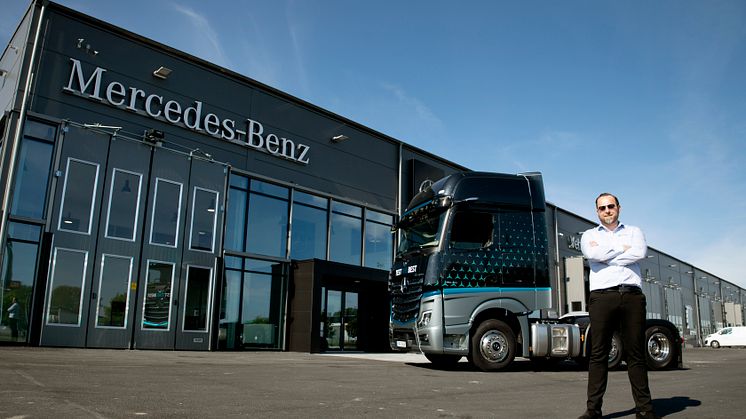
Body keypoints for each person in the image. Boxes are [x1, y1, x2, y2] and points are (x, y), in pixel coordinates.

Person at [578, 193, 660, 419]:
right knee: (598, 354)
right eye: (602, 208)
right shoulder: (589, 235)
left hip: (632, 296)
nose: (607, 210)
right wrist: (623, 250)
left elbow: (640, 252)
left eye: (610, 206)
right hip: (602, 297)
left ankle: (645, 409)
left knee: (635, 353)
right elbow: (591, 254)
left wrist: (606, 255)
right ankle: (593, 410)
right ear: (597, 211)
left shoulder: (634, 232)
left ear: (618, 208)